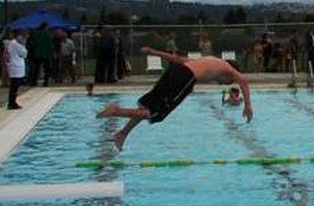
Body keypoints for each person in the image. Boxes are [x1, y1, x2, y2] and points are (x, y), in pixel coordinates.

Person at [97, 47, 253, 150]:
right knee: (155, 113)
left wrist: (153, 51)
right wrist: (248, 106)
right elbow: (244, 82)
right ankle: (116, 111)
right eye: (228, 82)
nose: (223, 84)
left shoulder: (210, 60)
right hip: (185, 79)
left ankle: (123, 133)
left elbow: (177, 59)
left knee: (146, 108)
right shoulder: (228, 68)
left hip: (174, 72)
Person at [6, 29, 28, 110]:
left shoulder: (13, 44)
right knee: (14, 86)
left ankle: (12, 102)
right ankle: (11, 103)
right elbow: (24, 54)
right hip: (16, 67)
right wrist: (23, 45)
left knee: (15, 86)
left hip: (16, 66)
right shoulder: (16, 44)